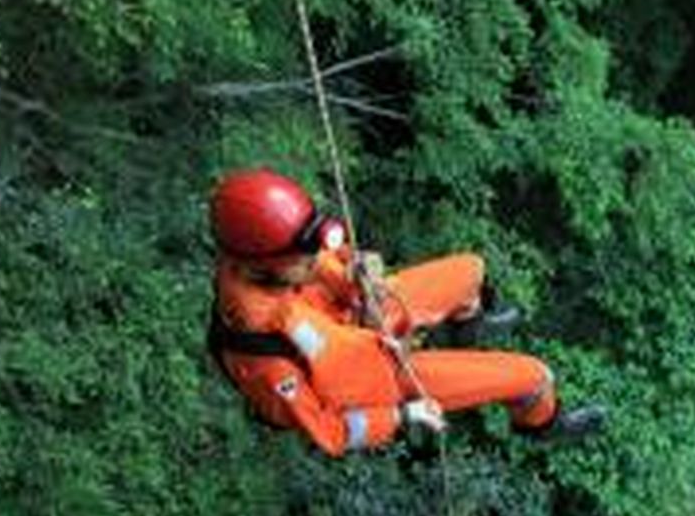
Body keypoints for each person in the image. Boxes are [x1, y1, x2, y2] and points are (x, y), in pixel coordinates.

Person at [208, 168, 604, 457]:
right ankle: (545, 424)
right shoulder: (265, 359)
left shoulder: (277, 260)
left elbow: (325, 263)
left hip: (360, 319)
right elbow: (330, 434)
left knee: (472, 270)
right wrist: (402, 414)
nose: (315, 260)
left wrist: (357, 271)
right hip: (382, 379)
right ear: (261, 264)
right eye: (303, 257)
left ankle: (469, 330)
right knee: (535, 377)